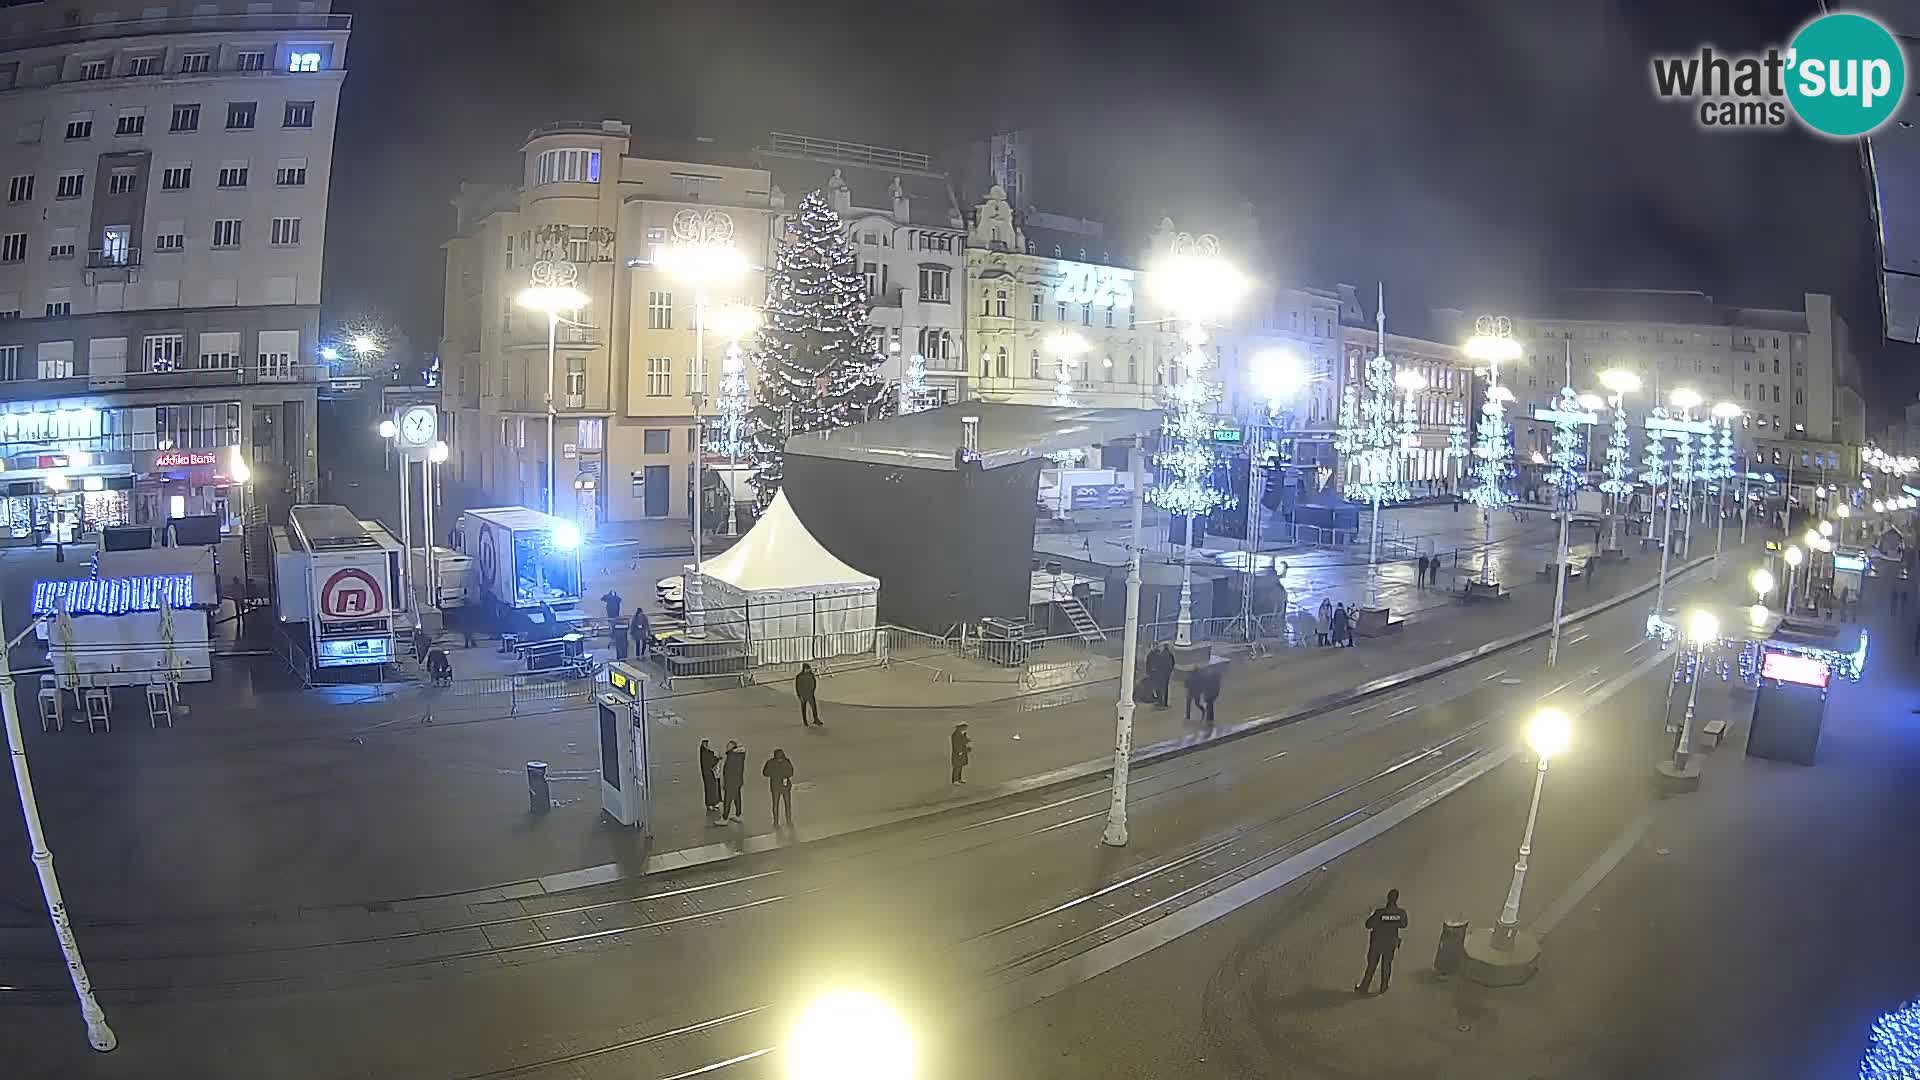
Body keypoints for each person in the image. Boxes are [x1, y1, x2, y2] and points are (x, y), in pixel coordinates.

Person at [1354, 888, 1409, 994]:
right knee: (1387, 964)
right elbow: (1404, 924)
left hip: (1377, 942)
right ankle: (1383, 987)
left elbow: (1368, 925)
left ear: (1388, 898)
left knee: (1371, 966)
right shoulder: (1400, 913)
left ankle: (1364, 988)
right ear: (1396, 899)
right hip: (1390, 943)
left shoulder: (1380, 913)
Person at [762, 748, 795, 827]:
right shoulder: (787, 762)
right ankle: (789, 821)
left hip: (775, 786)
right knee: (787, 804)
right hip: (785, 786)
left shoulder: (770, 762)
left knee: (775, 804)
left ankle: (776, 822)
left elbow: (765, 773)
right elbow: (791, 773)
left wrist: (773, 773)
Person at [1186, 664, 1221, 732]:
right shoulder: (1208, 677)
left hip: (1199, 693)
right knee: (1207, 706)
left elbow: (1203, 685)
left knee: (1204, 705)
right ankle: (1208, 719)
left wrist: (1203, 692)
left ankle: (1208, 719)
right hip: (1200, 693)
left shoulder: (1204, 677)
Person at [720, 741, 746, 823]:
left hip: (731, 782)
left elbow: (728, 772)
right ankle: (738, 815)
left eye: (729, 746)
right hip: (738, 781)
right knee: (737, 798)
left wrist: (725, 783)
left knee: (727, 800)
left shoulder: (731, 756)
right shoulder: (740, 755)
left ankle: (724, 818)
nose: (727, 747)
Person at [699, 739, 722, 824]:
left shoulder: (706, 753)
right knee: (711, 788)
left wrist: (717, 759)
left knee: (713, 787)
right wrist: (717, 759)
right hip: (709, 774)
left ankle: (714, 802)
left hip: (711, 773)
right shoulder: (705, 754)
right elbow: (710, 762)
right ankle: (711, 803)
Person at [795, 662, 822, 727]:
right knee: (803, 708)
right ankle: (805, 721)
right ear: (804, 669)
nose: (808, 670)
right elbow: (797, 686)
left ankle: (816, 719)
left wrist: (813, 690)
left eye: (809, 669)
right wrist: (799, 695)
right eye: (807, 669)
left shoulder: (811, 675)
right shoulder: (799, 676)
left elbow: (814, 683)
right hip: (803, 695)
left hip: (810, 694)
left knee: (814, 707)